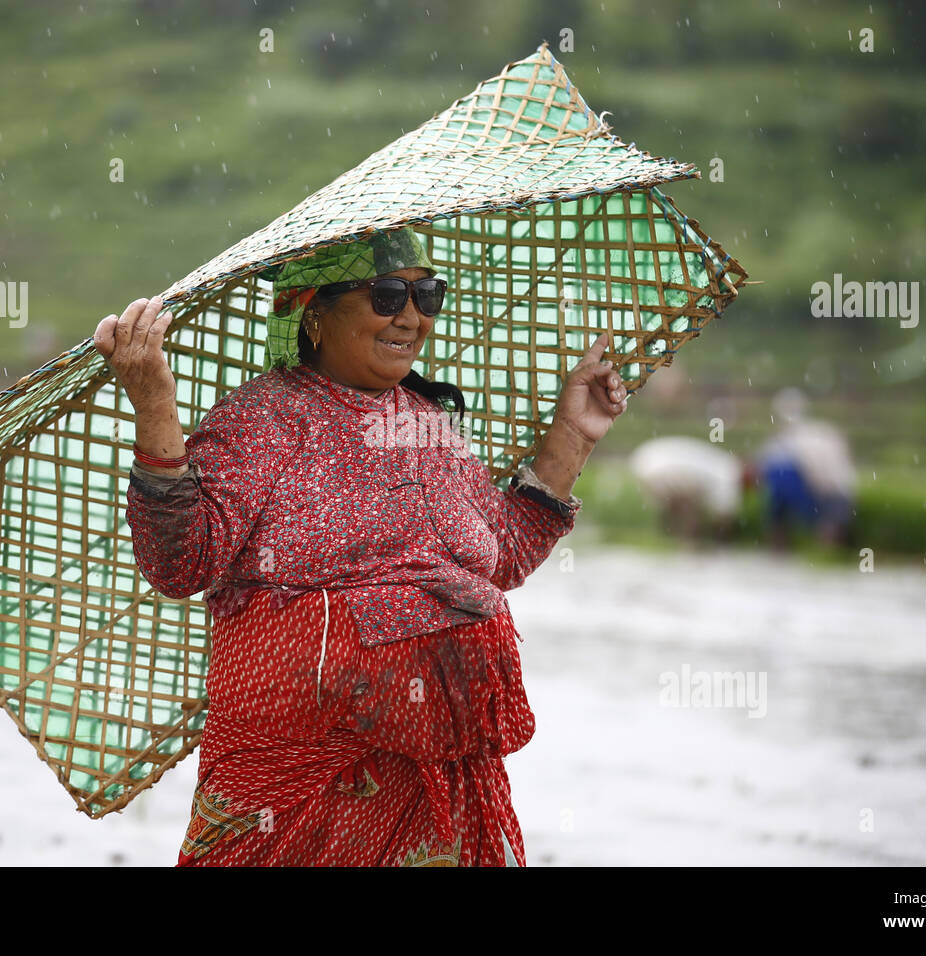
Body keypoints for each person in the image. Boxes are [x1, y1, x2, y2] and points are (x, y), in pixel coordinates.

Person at [92, 227, 629, 867]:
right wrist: (154, 403)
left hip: (438, 795)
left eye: (426, 296)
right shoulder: (261, 421)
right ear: (314, 312)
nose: (411, 316)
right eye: (386, 296)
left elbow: (500, 556)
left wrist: (574, 433)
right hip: (295, 794)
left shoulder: (429, 426)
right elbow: (180, 563)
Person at [755, 387, 856, 548]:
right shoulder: (786, 440)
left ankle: (820, 543)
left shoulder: (811, 436)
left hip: (829, 493)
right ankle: (789, 542)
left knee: (780, 477)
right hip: (824, 493)